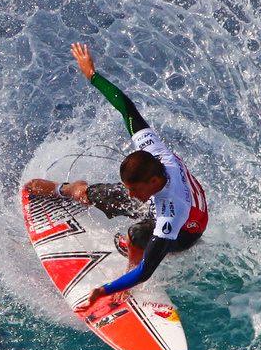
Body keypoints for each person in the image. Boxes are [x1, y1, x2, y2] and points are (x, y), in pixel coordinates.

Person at [23, 43, 208, 311]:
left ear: (154, 183)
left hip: (187, 230)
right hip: (162, 200)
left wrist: (105, 289)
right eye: (129, 188)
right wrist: (93, 76)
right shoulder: (154, 151)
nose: (130, 194)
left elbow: (147, 271)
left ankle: (127, 278)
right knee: (95, 195)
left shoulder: (171, 213)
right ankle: (68, 189)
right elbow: (127, 108)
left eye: (135, 189)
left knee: (136, 237)